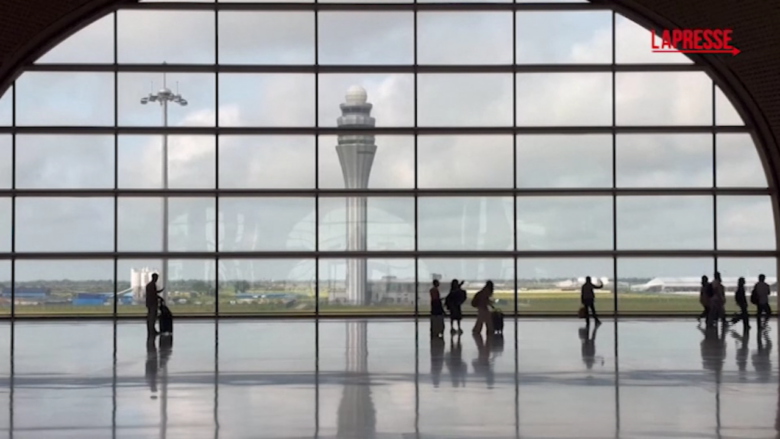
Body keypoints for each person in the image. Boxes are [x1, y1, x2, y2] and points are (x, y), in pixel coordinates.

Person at [145, 273, 164, 338]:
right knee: (152, 317)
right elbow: (154, 294)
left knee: (151, 317)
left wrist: (160, 291)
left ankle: (152, 330)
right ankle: (152, 330)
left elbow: (154, 292)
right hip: (152, 303)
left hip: (149, 303)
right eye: (156, 278)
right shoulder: (152, 285)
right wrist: (160, 298)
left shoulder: (149, 285)